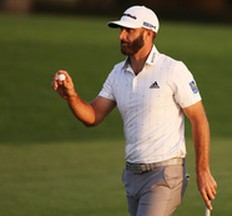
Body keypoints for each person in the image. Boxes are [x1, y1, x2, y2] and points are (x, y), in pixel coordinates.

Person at [52, 5, 217, 216]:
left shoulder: (173, 69)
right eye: (121, 30)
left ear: (148, 33)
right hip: (132, 176)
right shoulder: (117, 74)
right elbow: (92, 116)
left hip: (165, 175)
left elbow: (199, 118)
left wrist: (202, 171)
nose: (121, 36)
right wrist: (72, 96)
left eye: (129, 30)